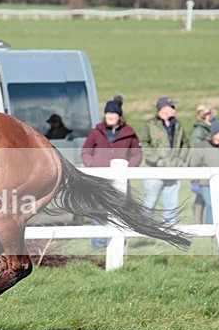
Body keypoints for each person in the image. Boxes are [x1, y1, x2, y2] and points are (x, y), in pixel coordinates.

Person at [81, 94, 143, 248]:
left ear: (119, 116)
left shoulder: (129, 133)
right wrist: (93, 166)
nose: (110, 116)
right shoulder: (97, 132)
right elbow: (85, 152)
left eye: (113, 113)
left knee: (120, 213)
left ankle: (118, 246)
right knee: (99, 213)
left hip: (119, 181)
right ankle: (98, 246)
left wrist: (128, 167)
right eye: (108, 113)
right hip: (100, 180)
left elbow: (137, 154)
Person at [141, 96, 191, 224]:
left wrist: (180, 160)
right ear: (162, 109)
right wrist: (157, 160)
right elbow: (144, 144)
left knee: (172, 203)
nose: (174, 110)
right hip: (154, 171)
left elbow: (185, 143)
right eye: (172, 107)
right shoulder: (149, 125)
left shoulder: (177, 125)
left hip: (173, 170)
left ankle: (169, 232)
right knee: (150, 203)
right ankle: (144, 230)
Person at [190, 105, 216, 224]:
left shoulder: (209, 128)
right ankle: (198, 224)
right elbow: (197, 151)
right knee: (201, 199)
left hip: (208, 165)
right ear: (206, 115)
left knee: (204, 198)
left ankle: (202, 223)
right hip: (201, 167)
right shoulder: (199, 131)